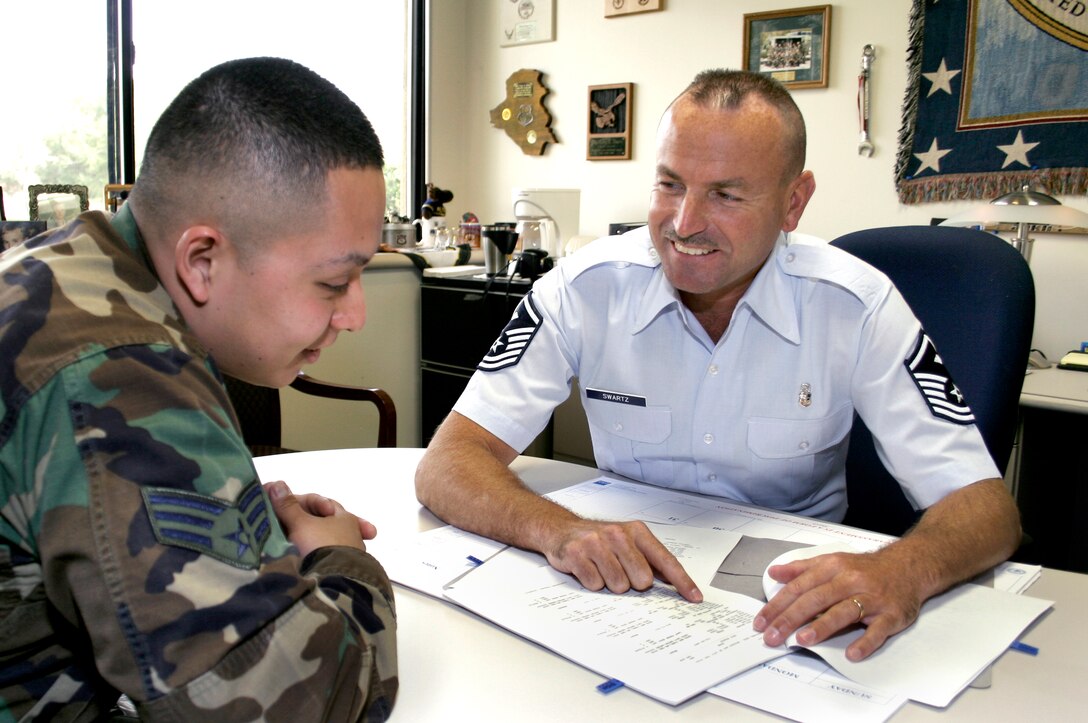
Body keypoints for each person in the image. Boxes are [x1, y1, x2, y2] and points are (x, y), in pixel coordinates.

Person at [415, 68, 1021, 663]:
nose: (685, 224)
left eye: (726, 195)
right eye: (670, 185)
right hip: (622, 599)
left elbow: (987, 510)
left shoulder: (856, 306)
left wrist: (903, 570)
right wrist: (558, 531)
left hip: (789, 610)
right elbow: (447, 463)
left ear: (794, 202)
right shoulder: (583, 288)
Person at [0, 58, 397, 720]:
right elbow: (294, 703)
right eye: (334, 282)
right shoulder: (119, 370)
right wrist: (345, 564)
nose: (354, 314)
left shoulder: (78, 271)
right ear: (201, 261)